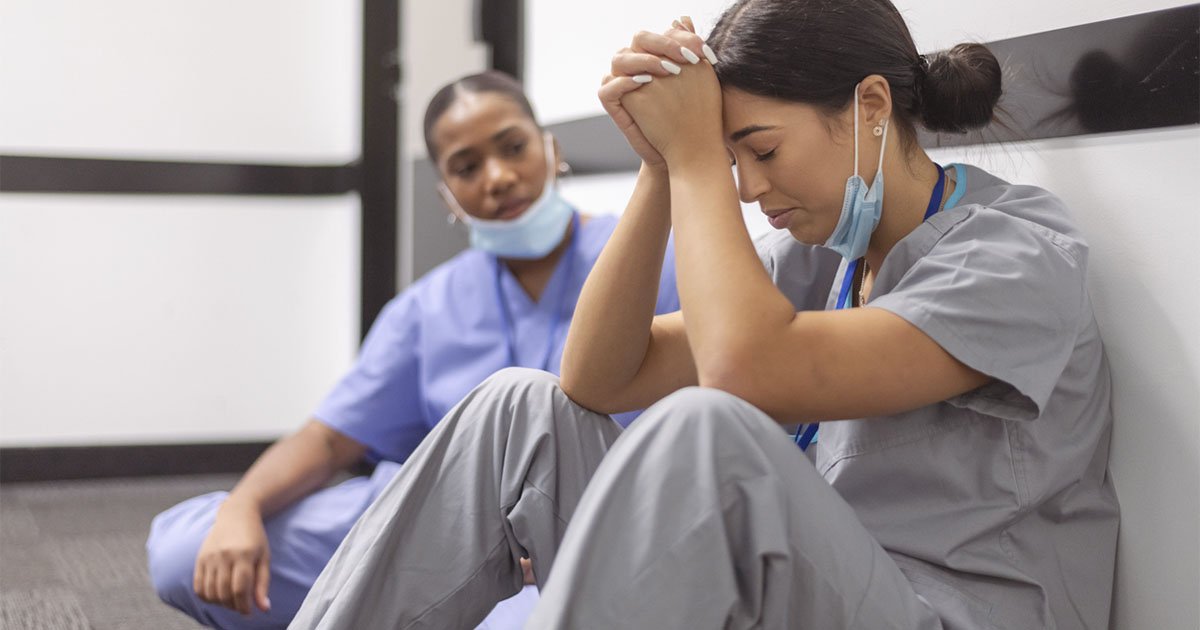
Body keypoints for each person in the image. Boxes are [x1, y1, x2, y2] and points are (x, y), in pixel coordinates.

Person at [288, 2, 1120, 628]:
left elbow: (739, 377)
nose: (750, 189)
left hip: (935, 613)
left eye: (760, 150)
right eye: (731, 160)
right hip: (797, 592)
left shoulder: (1014, 255)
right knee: (521, 409)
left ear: (871, 107)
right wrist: (660, 165)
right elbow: (596, 377)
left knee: (704, 434)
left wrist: (694, 160)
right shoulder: (818, 258)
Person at [145, 70, 680, 630]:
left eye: (513, 147)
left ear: (552, 149)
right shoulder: (428, 307)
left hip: (588, 531)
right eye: (467, 167)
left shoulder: (646, 260)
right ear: (447, 192)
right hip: (438, 523)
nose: (497, 178)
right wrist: (241, 509)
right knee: (189, 550)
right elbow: (329, 439)